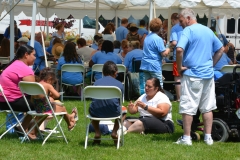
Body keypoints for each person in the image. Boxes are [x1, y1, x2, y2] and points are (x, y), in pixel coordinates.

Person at [175, 8, 224, 146]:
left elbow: (179, 49)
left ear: (188, 18)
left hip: (192, 75)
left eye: (181, 21)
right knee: (207, 108)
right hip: (208, 75)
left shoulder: (188, 31)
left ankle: (186, 138)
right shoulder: (208, 30)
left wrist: (179, 68)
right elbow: (221, 49)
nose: (180, 24)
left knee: (188, 107)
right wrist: (211, 65)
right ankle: (208, 138)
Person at [0, 45, 39, 140]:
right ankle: (29, 131)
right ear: (26, 55)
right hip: (12, 102)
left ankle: (24, 128)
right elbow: (35, 91)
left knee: (42, 104)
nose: (35, 57)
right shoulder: (23, 68)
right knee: (45, 106)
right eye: (34, 55)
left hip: (3, 102)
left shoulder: (14, 65)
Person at [89, 61, 123, 145]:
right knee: (124, 110)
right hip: (113, 112)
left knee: (92, 106)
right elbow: (119, 102)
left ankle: (97, 132)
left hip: (96, 112)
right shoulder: (119, 85)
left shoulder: (96, 83)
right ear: (115, 73)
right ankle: (114, 132)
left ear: (103, 72)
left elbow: (94, 99)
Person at [140, 18, 170, 88]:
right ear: (160, 27)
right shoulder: (158, 39)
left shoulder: (147, 37)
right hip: (154, 65)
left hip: (145, 64)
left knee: (147, 85)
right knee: (158, 85)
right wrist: (168, 48)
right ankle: (160, 99)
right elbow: (164, 54)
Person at [169, 13, 183, 102]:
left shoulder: (174, 28)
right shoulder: (187, 26)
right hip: (187, 54)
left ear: (173, 20)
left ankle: (179, 98)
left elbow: (174, 42)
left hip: (177, 55)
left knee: (177, 77)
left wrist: (168, 45)